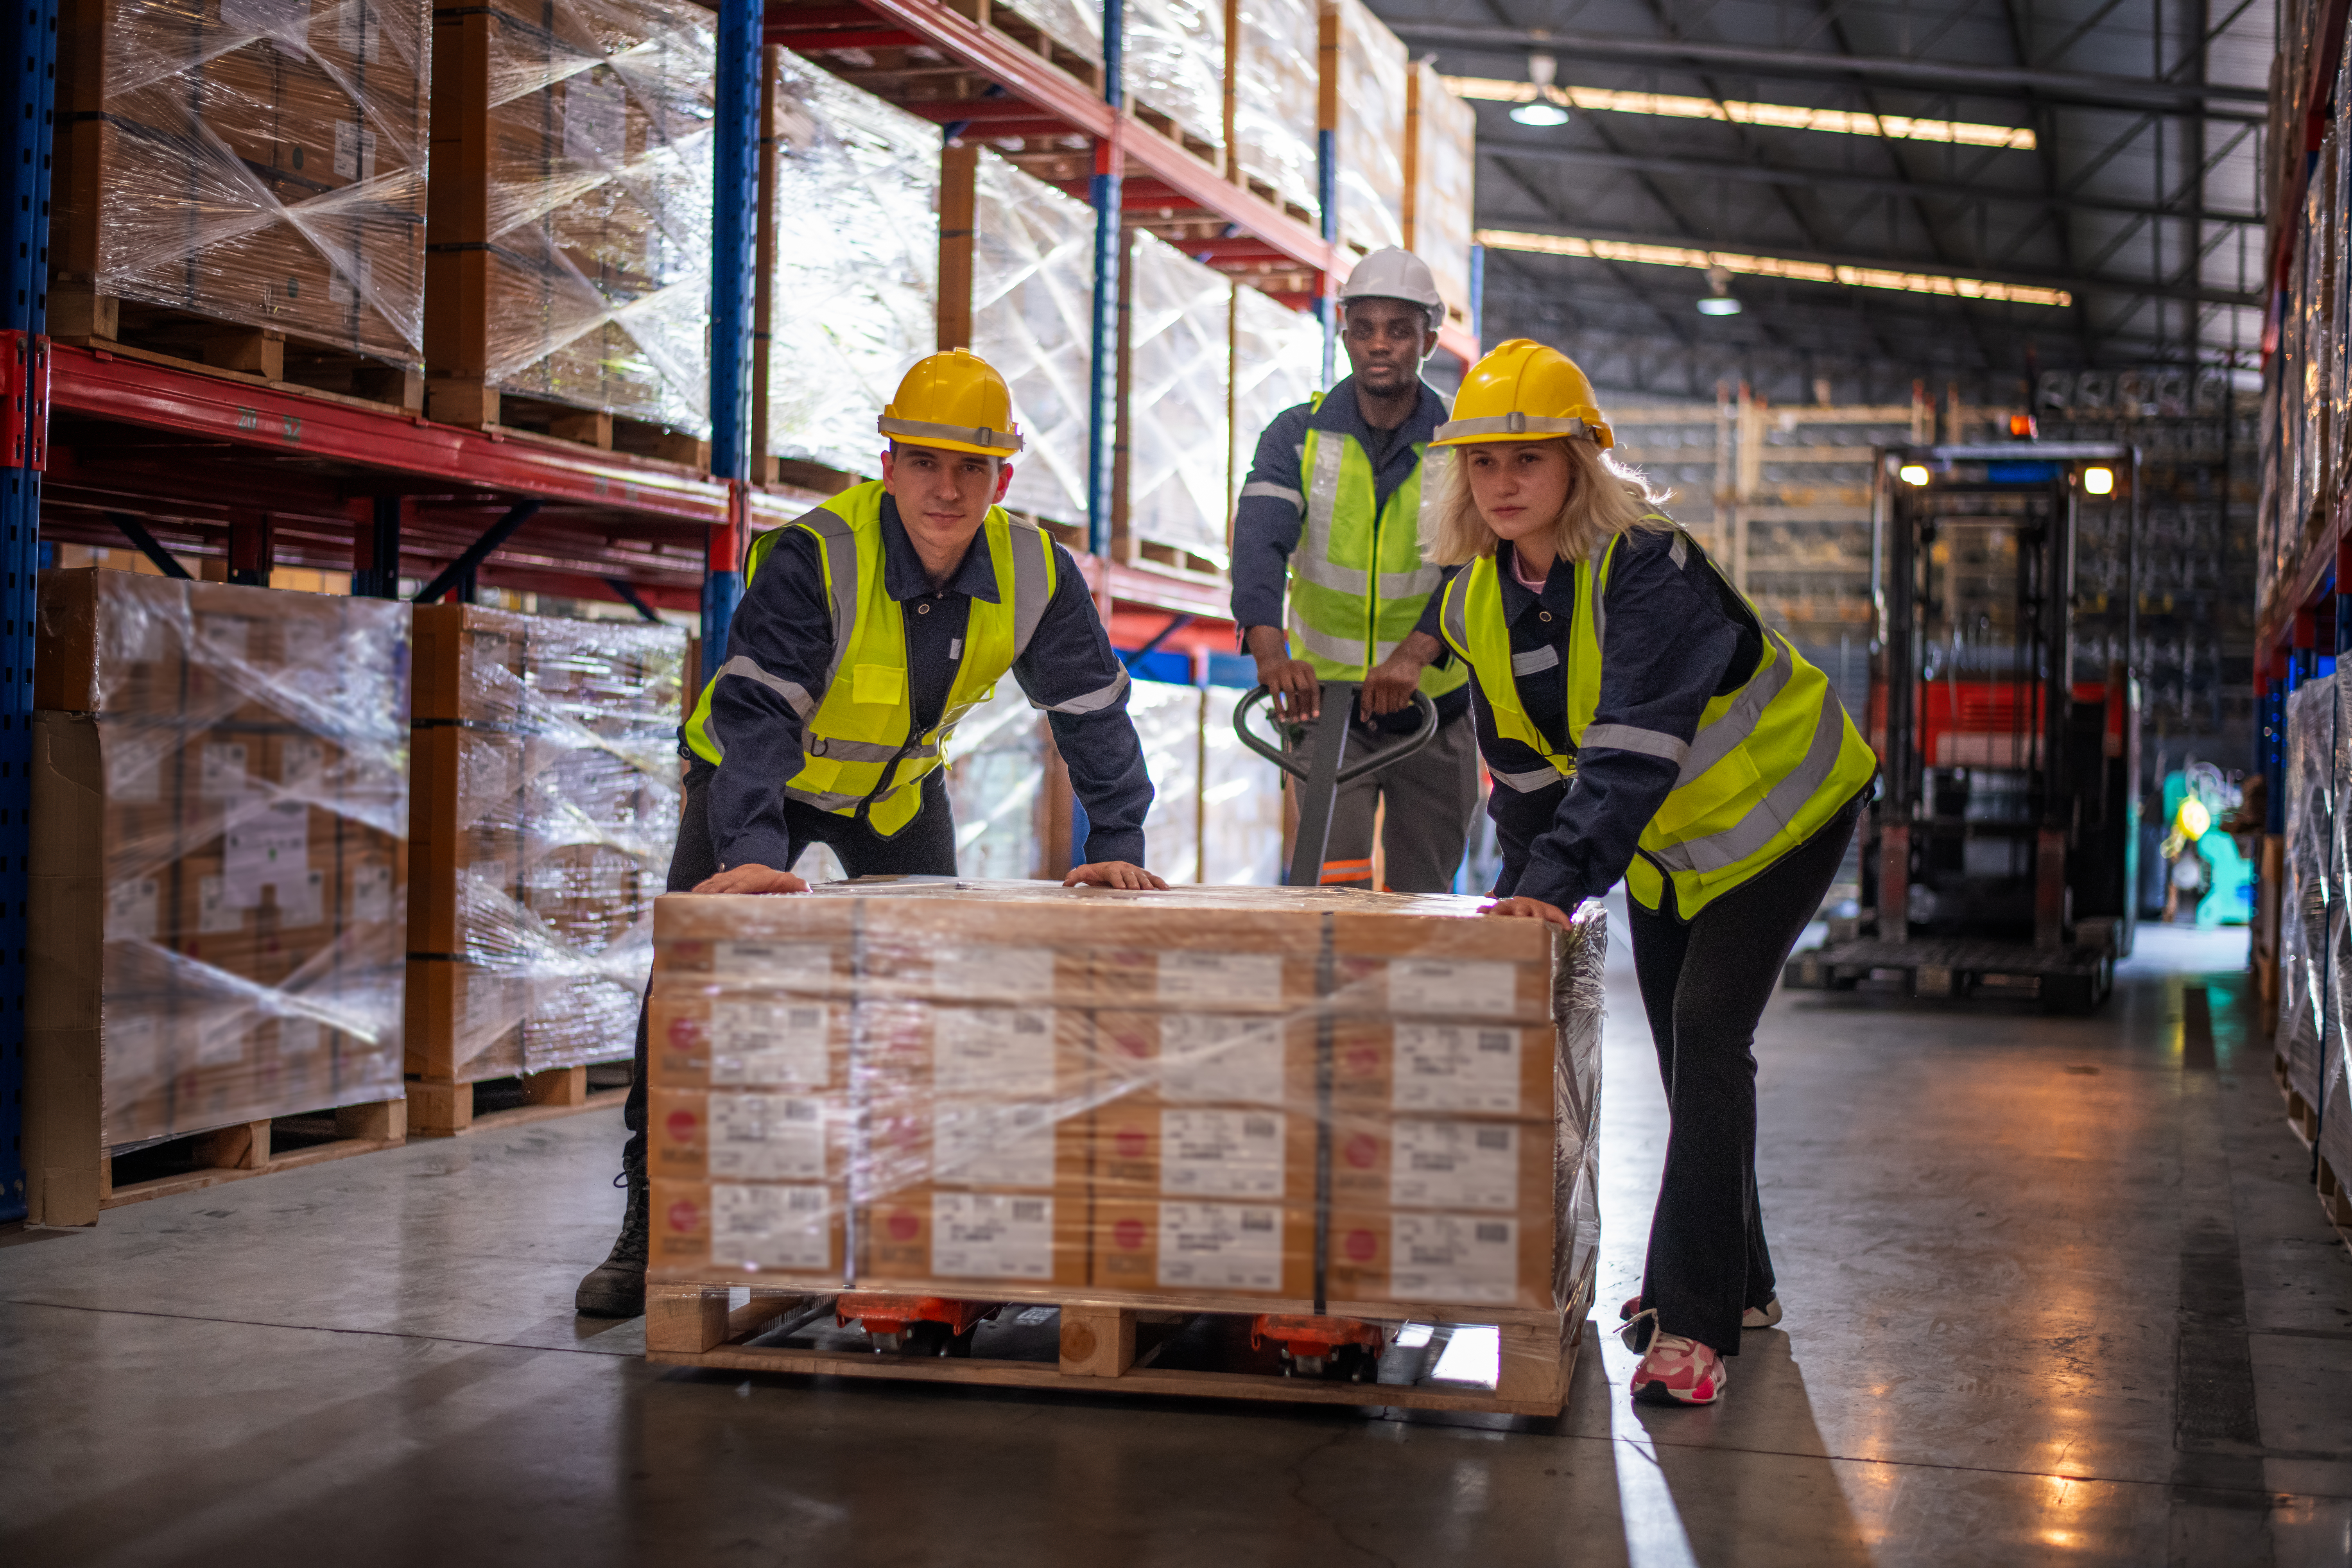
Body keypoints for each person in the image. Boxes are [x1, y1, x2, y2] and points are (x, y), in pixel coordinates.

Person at [575, 349, 1167, 1318]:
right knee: (691, 985)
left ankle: (905, 1212)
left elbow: (1092, 711)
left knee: (926, 999)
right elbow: (757, 718)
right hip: (755, 788)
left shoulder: (1035, 571)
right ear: (886, 461)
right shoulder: (817, 554)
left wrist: (1120, 841)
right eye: (925, 461)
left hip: (893, 793)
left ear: (1001, 479)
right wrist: (753, 859)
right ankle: (656, 1213)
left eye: (970, 468)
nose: (946, 487)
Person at [1423, 339, 1877, 1407]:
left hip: (1786, 817)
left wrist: (1563, 879)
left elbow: (1628, 751)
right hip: (1679, 854)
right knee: (1689, 1051)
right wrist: (1525, 885)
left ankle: (1694, 1322)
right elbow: (1526, 775)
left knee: (1712, 1029)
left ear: (1582, 462)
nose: (1504, 484)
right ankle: (1743, 1282)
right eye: (1484, 464)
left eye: (1528, 460)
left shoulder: (1648, 568)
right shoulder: (1476, 603)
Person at [1229, 247, 1477, 891]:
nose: (1380, 345)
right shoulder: (1296, 435)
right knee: (1331, 890)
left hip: (1435, 710)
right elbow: (1259, 543)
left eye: (1398, 330)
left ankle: (1412, 994)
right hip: (1326, 711)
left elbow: (1475, 562)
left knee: (1423, 897)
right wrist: (1268, 648)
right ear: (1343, 333)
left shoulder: (1463, 441)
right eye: (1364, 328)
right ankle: (1337, 994)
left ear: (1427, 338)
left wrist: (1416, 655)